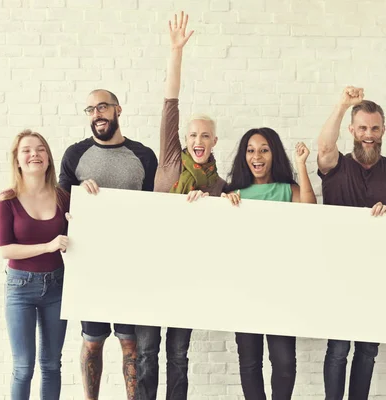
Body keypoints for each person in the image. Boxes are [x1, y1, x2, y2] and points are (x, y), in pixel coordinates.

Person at [134, 11, 226, 400]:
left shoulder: (220, 184)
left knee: (179, 355)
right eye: (193, 134)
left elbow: (222, 235)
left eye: (205, 135)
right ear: (184, 139)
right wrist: (176, 52)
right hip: (152, 267)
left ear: (215, 141)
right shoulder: (170, 158)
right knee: (146, 353)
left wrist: (211, 207)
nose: (198, 140)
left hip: (188, 274)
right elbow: (171, 100)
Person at [58, 87, 158, 400]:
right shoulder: (75, 155)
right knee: (92, 341)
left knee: (130, 342)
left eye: (103, 107)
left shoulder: (143, 155)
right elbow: (62, 208)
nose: (97, 114)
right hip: (90, 266)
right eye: (90, 109)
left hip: (132, 265)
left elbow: (156, 210)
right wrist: (76, 201)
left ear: (118, 110)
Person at [316, 86, 386, 400]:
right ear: (352, 130)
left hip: (377, 274)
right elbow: (324, 145)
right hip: (338, 271)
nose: (369, 134)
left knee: (368, 350)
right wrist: (342, 103)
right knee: (338, 348)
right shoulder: (336, 166)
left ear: (383, 130)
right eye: (363, 128)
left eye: (375, 128)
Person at [222, 127, 316, 399]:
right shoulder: (234, 193)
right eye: (251, 150)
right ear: (244, 156)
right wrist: (223, 202)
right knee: (250, 362)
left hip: (282, 289)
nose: (257, 156)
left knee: (285, 363)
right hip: (245, 289)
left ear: (274, 154)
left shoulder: (289, 190)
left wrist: (301, 165)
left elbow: (311, 212)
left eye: (264, 149)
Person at [0, 129, 70, 400]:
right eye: (26, 150)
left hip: (57, 287)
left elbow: (82, 236)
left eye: (40, 149)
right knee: (23, 367)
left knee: (51, 365)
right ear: (17, 159)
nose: (34, 154)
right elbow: (5, 249)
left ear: (48, 159)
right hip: (20, 288)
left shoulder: (63, 197)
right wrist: (48, 246)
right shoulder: (8, 200)